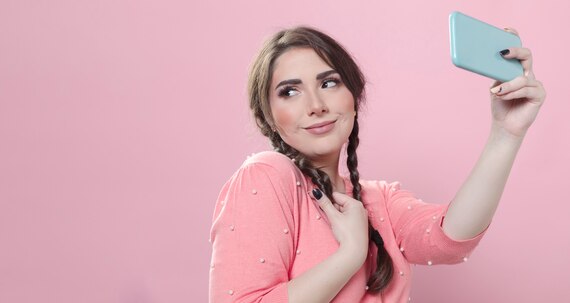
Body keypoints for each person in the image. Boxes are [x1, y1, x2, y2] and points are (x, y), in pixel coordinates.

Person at [208, 26, 546, 303]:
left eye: (329, 83)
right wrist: (351, 253)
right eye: (290, 92)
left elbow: (450, 240)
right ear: (266, 115)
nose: (315, 105)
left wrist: (506, 133)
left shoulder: (379, 200)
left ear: (354, 97)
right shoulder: (268, 175)